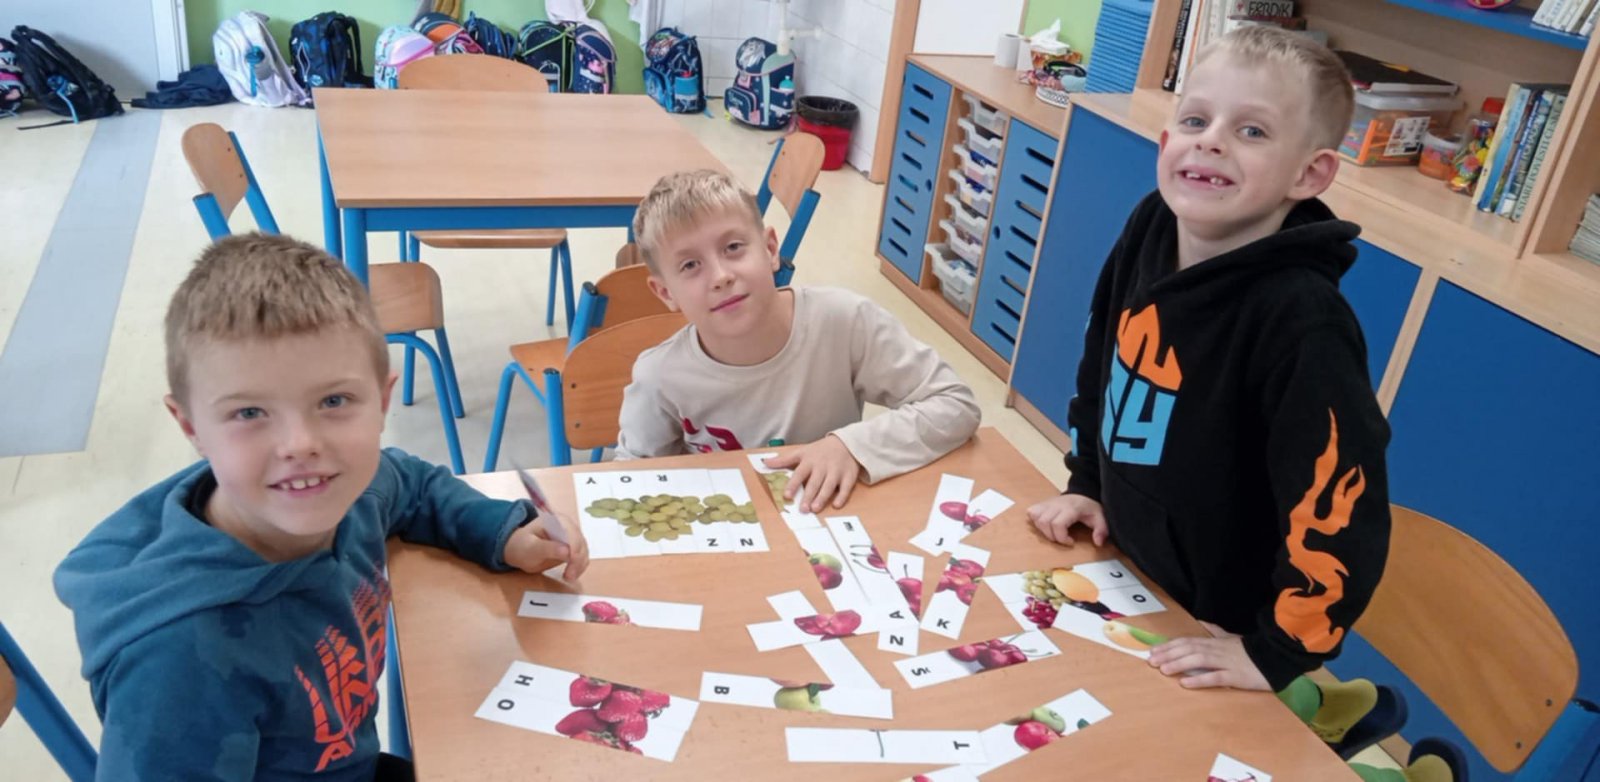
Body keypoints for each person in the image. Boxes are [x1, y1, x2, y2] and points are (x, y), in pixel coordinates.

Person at [1025, 27, 1434, 776]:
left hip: (1226, 619)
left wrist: (1275, 653)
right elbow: (1104, 357)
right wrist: (1087, 482)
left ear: (1309, 174)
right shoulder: (1153, 221)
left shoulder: (1302, 322)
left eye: (1251, 131)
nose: (1211, 142)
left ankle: (1336, 729)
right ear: (1166, 140)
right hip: (1140, 570)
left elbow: (1340, 502)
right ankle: (1319, 701)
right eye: (1196, 120)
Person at [55, 233, 588, 780]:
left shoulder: (350, 490)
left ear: (381, 401)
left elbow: (411, 483)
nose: (300, 445)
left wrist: (503, 532)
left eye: (334, 401)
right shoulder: (179, 660)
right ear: (191, 426)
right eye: (249, 413)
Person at [615, 169, 982, 513]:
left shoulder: (846, 320)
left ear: (770, 249)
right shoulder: (659, 376)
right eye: (690, 266)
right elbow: (627, 480)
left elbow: (954, 404)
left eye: (733, 247)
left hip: (828, 520)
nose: (720, 276)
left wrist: (850, 446)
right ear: (666, 293)